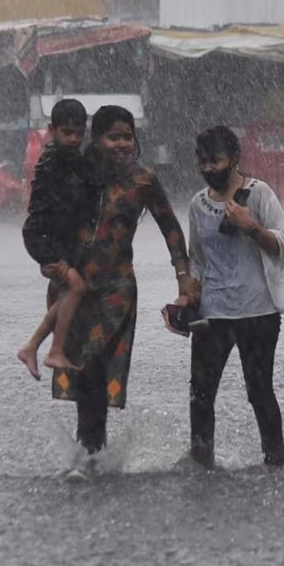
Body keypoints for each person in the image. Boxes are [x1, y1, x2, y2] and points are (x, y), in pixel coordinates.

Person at [50, 105, 197, 476]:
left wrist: (183, 276)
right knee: (82, 370)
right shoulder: (77, 175)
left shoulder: (143, 180)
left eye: (127, 137)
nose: (121, 144)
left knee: (95, 366)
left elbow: (171, 229)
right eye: (113, 137)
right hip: (74, 289)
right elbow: (45, 219)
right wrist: (47, 257)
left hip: (116, 291)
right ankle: (91, 452)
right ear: (96, 140)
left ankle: (89, 454)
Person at [180, 125, 284, 469]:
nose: (209, 168)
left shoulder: (259, 195)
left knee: (259, 392)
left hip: (258, 313)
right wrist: (187, 296)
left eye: (215, 160)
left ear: (234, 159)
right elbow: (197, 259)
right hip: (213, 313)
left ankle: (276, 463)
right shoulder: (198, 205)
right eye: (202, 162)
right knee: (201, 395)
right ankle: (202, 463)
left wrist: (251, 227)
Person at [17, 99, 93, 379]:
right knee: (76, 286)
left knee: (68, 293)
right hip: (43, 235)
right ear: (51, 130)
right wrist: (51, 256)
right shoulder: (55, 159)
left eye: (78, 133)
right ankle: (55, 351)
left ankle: (31, 346)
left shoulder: (67, 156)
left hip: (53, 234)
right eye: (67, 132)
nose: (73, 139)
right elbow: (55, 210)